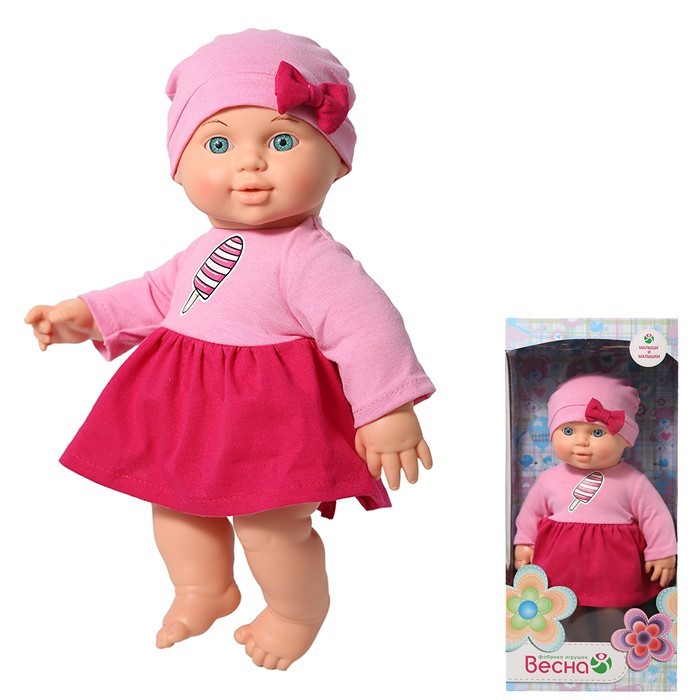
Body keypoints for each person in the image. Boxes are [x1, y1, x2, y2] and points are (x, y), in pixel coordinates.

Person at [25, 29, 435, 670]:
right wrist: (87, 314)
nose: (250, 163)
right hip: (188, 413)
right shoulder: (204, 247)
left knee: (271, 528)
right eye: (218, 144)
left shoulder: (310, 260)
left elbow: (366, 328)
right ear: (180, 166)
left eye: (281, 141)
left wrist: (387, 408)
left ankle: (296, 611)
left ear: (336, 160)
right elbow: (155, 293)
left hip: (270, 423)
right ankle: (203, 588)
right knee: (174, 507)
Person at [514, 374, 675, 640]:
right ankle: (572, 654)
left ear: (625, 439)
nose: (581, 442)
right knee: (565, 612)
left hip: (614, 567)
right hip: (561, 566)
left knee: (614, 615)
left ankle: (614, 652)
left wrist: (662, 552)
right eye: (568, 431)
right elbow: (531, 513)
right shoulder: (549, 480)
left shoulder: (632, 481)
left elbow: (654, 516)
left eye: (597, 432)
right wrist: (525, 542)